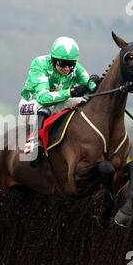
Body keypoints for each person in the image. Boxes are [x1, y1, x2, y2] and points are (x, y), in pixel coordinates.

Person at [19, 36, 98, 167]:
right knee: (44, 105)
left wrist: (94, 81)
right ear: (54, 59)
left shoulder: (76, 68)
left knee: (84, 101)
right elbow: (43, 98)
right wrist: (70, 92)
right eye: (62, 64)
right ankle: (35, 145)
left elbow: (92, 89)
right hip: (30, 107)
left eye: (71, 64)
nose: (67, 68)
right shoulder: (39, 64)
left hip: (57, 106)